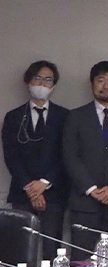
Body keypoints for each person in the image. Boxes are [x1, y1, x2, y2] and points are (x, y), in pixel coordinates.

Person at [62, 61, 108, 260]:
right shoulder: (75, 117)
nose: (106, 85)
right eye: (100, 80)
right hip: (84, 203)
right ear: (92, 83)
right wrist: (91, 188)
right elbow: (70, 156)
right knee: (81, 261)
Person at [2, 60, 69, 257]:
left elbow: (66, 154)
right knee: (21, 253)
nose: (42, 84)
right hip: (22, 194)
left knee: (51, 252)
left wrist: (44, 184)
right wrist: (31, 189)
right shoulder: (14, 117)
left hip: (54, 194)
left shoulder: (64, 116)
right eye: (37, 78)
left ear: (54, 85)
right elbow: (11, 155)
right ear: (28, 82)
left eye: (48, 80)